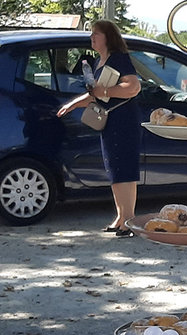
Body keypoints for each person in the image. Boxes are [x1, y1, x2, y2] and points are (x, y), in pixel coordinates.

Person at [57, 20, 142, 238]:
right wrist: (73, 104)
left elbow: (133, 87)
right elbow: (97, 93)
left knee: (124, 170)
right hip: (110, 121)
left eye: (96, 34)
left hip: (124, 121)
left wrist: (105, 89)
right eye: (91, 34)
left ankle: (128, 220)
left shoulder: (119, 58)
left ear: (108, 37)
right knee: (114, 170)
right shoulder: (98, 61)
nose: (92, 37)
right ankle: (121, 217)